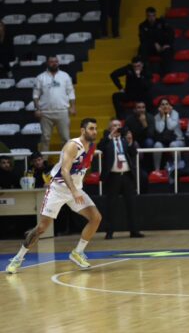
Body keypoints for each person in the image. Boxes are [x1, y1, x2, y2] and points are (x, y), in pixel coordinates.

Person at [6, 119, 103, 274]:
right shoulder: (73, 145)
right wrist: (74, 190)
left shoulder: (91, 147)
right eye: (91, 128)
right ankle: (18, 258)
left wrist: (77, 188)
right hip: (58, 189)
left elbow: (81, 169)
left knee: (96, 218)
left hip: (75, 190)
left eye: (96, 128)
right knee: (42, 228)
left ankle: (77, 252)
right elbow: (65, 171)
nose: (94, 131)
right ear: (83, 130)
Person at [98, 119, 143, 239]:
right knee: (111, 205)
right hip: (113, 176)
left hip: (127, 175)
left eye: (119, 125)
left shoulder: (124, 140)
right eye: (114, 125)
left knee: (131, 205)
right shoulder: (107, 140)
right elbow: (100, 147)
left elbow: (133, 153)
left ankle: (134, 231)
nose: (117, 127)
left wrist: (130, 142)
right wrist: (110, 136)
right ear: (109, 128)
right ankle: (109, 232)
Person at [32, 55, 76, 152]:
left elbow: (71, 93)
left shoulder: (65, 76)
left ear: (58, 63)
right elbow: (35, 95)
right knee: (45, 138)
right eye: (51, 61)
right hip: (45, 112)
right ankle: (43, 162)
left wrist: (73, 107)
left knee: (65, 138)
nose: (54, 63)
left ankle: (66, 161)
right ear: (48, 63)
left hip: (62, 111)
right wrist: (37, 109)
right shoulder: (40, 77)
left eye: (56, 61)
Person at [137, 7, 174, 75]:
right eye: (149, 16)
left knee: (168, 50)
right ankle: (146, 71)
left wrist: (167, 44)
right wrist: (154, 43)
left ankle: (165, 73)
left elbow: (170, 33)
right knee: (142, 48)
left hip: (163, 46)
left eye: (153, 16)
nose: (151, 18)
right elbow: (143, 39)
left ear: (155, 15)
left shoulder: (161, 22)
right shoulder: (142, 25)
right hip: (151, 48)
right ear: (146, 16)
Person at [153, 98, 185, 172]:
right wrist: (162, 117)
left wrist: (167, 115)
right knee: (157, 145)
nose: (165, 106)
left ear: (170, 105)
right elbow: (159, 129)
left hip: (177, 139)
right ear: (159, 107)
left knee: (173, 145)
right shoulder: (156, 117)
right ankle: (156, 170)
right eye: (163, 104)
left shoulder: (175, 113)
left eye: (167, 104)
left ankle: (177, 169)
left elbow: (171, 127)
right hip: (163, 140)